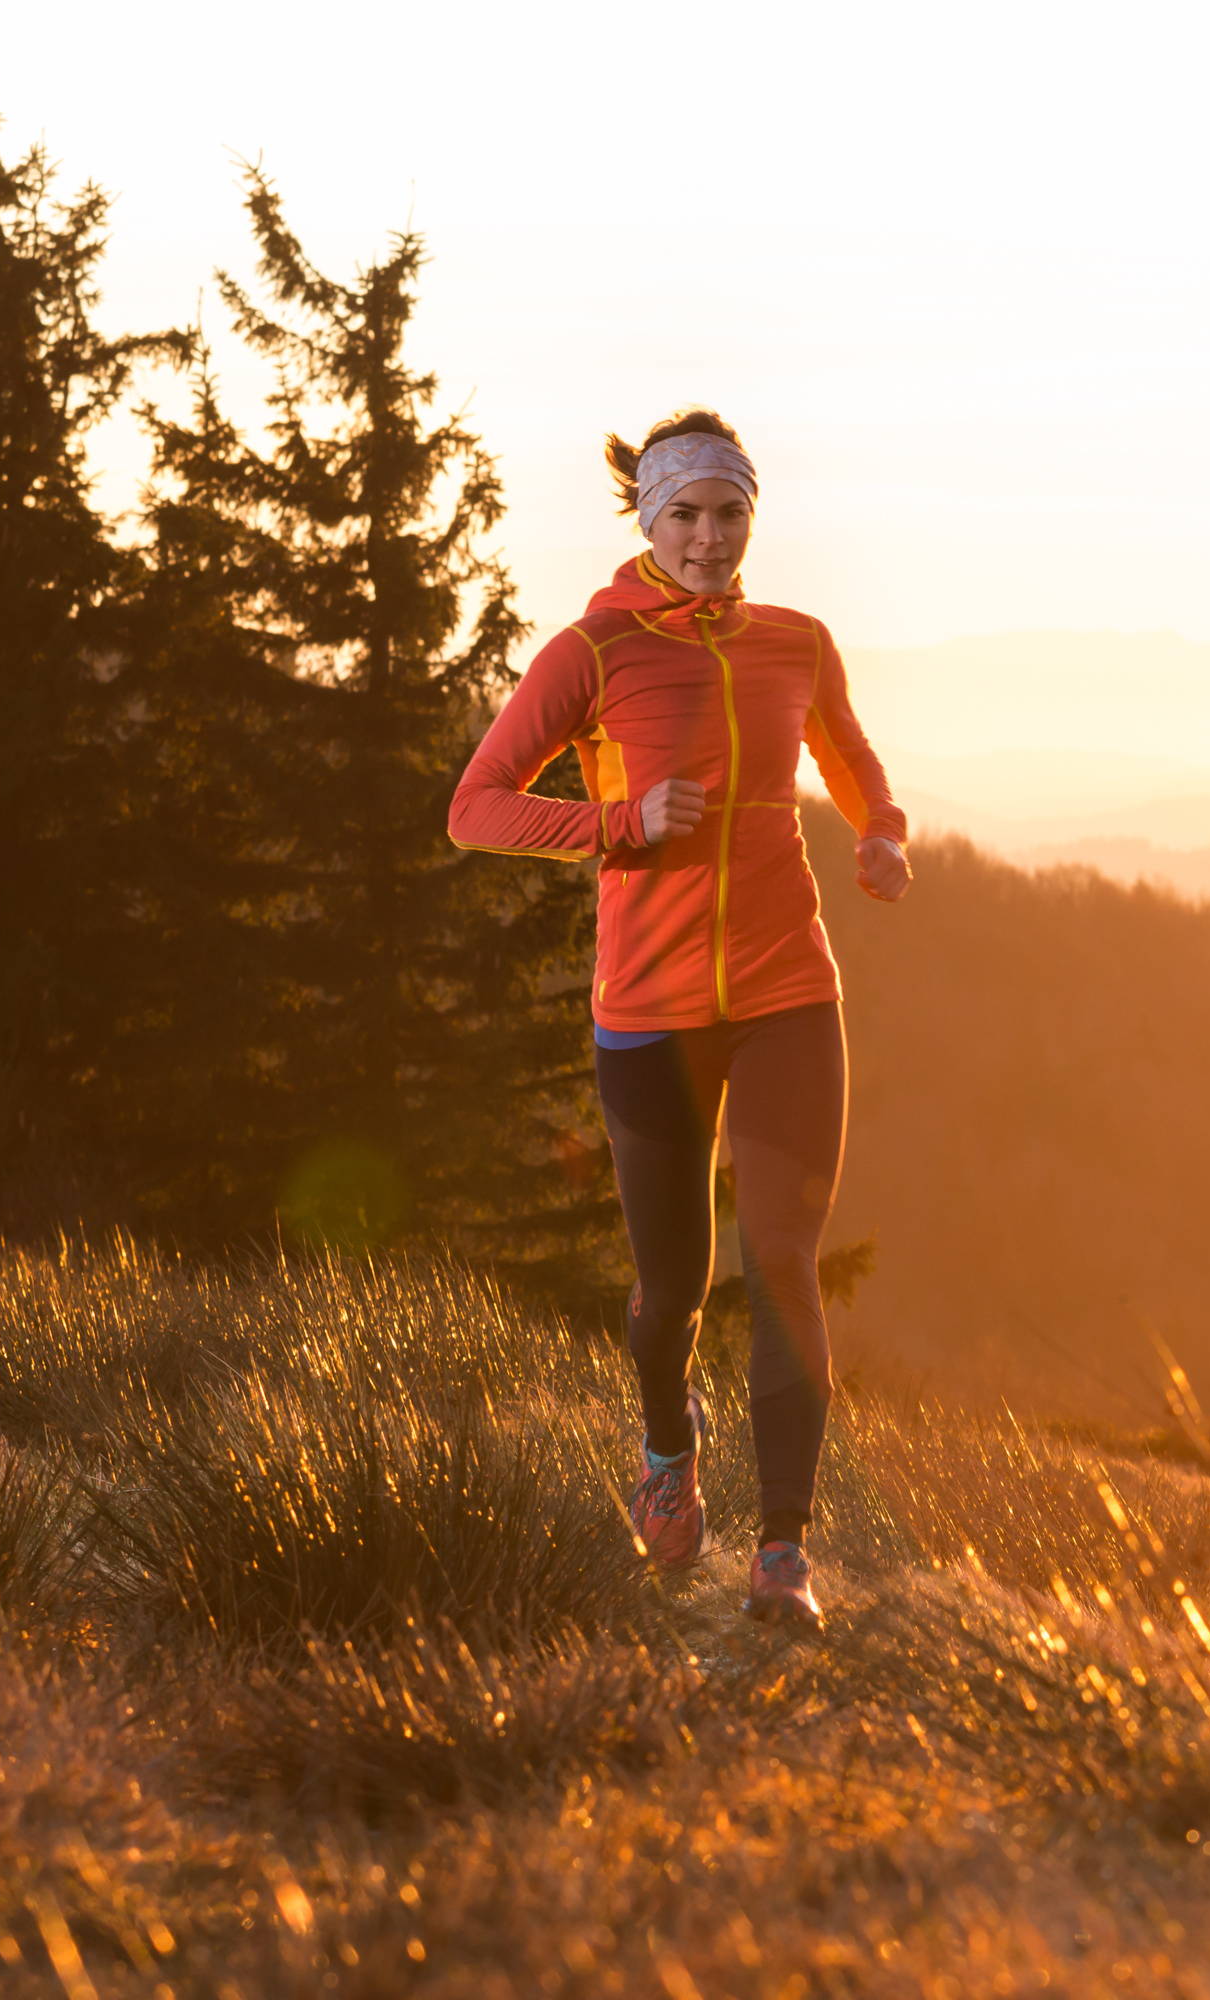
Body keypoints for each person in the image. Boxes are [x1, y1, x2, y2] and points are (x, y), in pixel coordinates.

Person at [448, 409, 910, 1631]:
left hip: (787, 995)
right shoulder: (592, 654)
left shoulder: (796, 643)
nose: (709, 537)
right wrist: (618, 823)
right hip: (647, 1011)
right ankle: (668, 1443)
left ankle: (782, 1551)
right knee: (671, 1293)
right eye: (686, 514)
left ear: (752, 516)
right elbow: (477, 807)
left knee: (785, 1263)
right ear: (649, 521)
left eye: (730, 512)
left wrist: (881, 833)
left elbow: (850, 757)